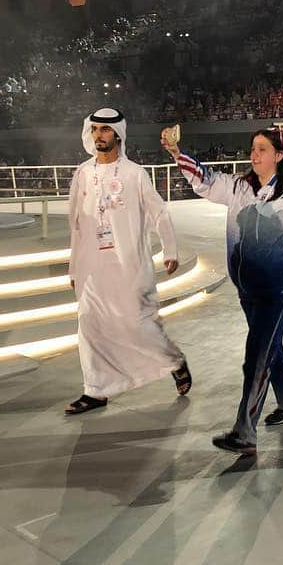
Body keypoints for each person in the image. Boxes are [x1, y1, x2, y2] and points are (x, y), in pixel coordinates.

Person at [163, 127, 283, 455]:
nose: (254, 155)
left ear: (279, 156)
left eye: (262, 149)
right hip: (247, 288)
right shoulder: (238, 187)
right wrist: (176, 152)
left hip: (279, 289)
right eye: (253, 149)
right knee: (269, 348)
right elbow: (204, 180)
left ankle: (245, 430)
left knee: (256, 357)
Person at [65, 107, 190, 415]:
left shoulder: (135, 173)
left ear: (118, 135)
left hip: (129, 264)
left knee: (139, 324)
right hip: (92, 267)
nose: (98, 136)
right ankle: (95, 390)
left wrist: (170, 250)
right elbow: (76, 224)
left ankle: (174, 361)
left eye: (105, 130)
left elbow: (159, 212)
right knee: (89, 325)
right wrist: (73, 267)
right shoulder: (82, 173)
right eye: (94, 130)